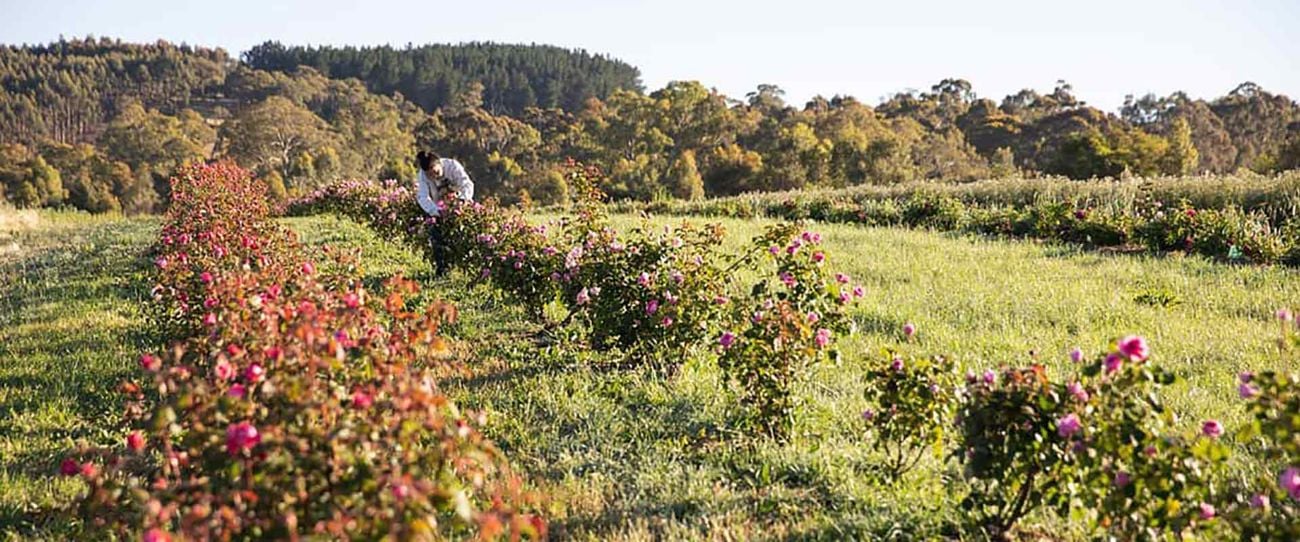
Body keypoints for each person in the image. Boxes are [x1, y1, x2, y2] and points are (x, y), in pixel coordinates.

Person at [414, 150, 475, 276]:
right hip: (438, 210)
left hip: (460, 206)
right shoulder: (423, 176)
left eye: (434, 171)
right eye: (430, 174)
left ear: (438, 163)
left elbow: (467, 184)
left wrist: (462, 200)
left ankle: (467, 268)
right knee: (436, 236)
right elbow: (423, 197)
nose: (433, 175)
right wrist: (436, 211)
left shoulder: (452, 166)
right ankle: (442, 269)